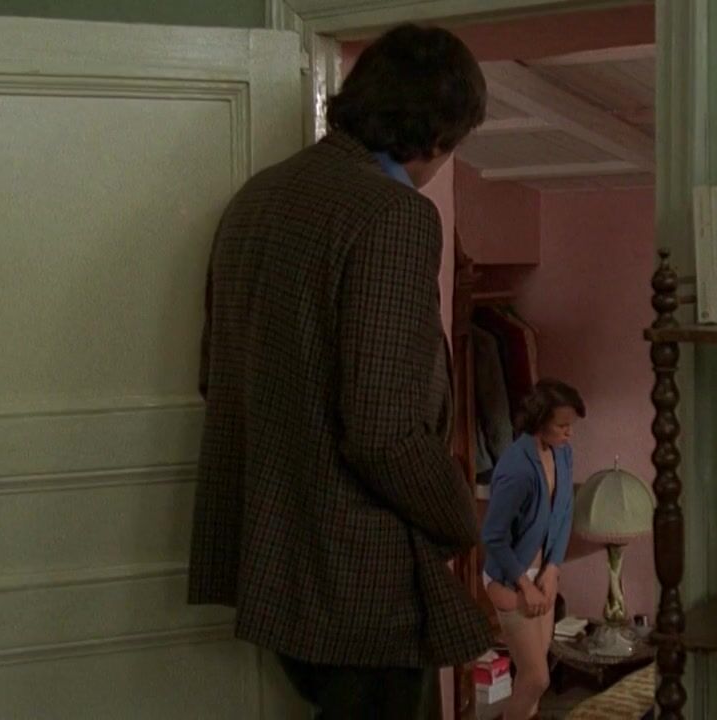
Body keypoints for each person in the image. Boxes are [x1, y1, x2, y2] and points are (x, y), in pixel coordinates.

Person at [186, 23, 491, 720]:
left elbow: (217, 378)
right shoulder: (393, 215)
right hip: (360, 574)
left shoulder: (258, 198)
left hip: (272, 559)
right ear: (438, 134)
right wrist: (462, 518)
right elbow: (384, 432)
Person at [481, 379, 586, 720]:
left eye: (571, 425)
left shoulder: (563, 453)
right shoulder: (516, 468)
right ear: (540, 421)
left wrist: (553, 568)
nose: (569, 433)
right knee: (537, 678)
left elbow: (564, 512)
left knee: (534, 684)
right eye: (562, 425)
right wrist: (525, 584)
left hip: (543, 573)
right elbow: (493, 537)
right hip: (510, 577)